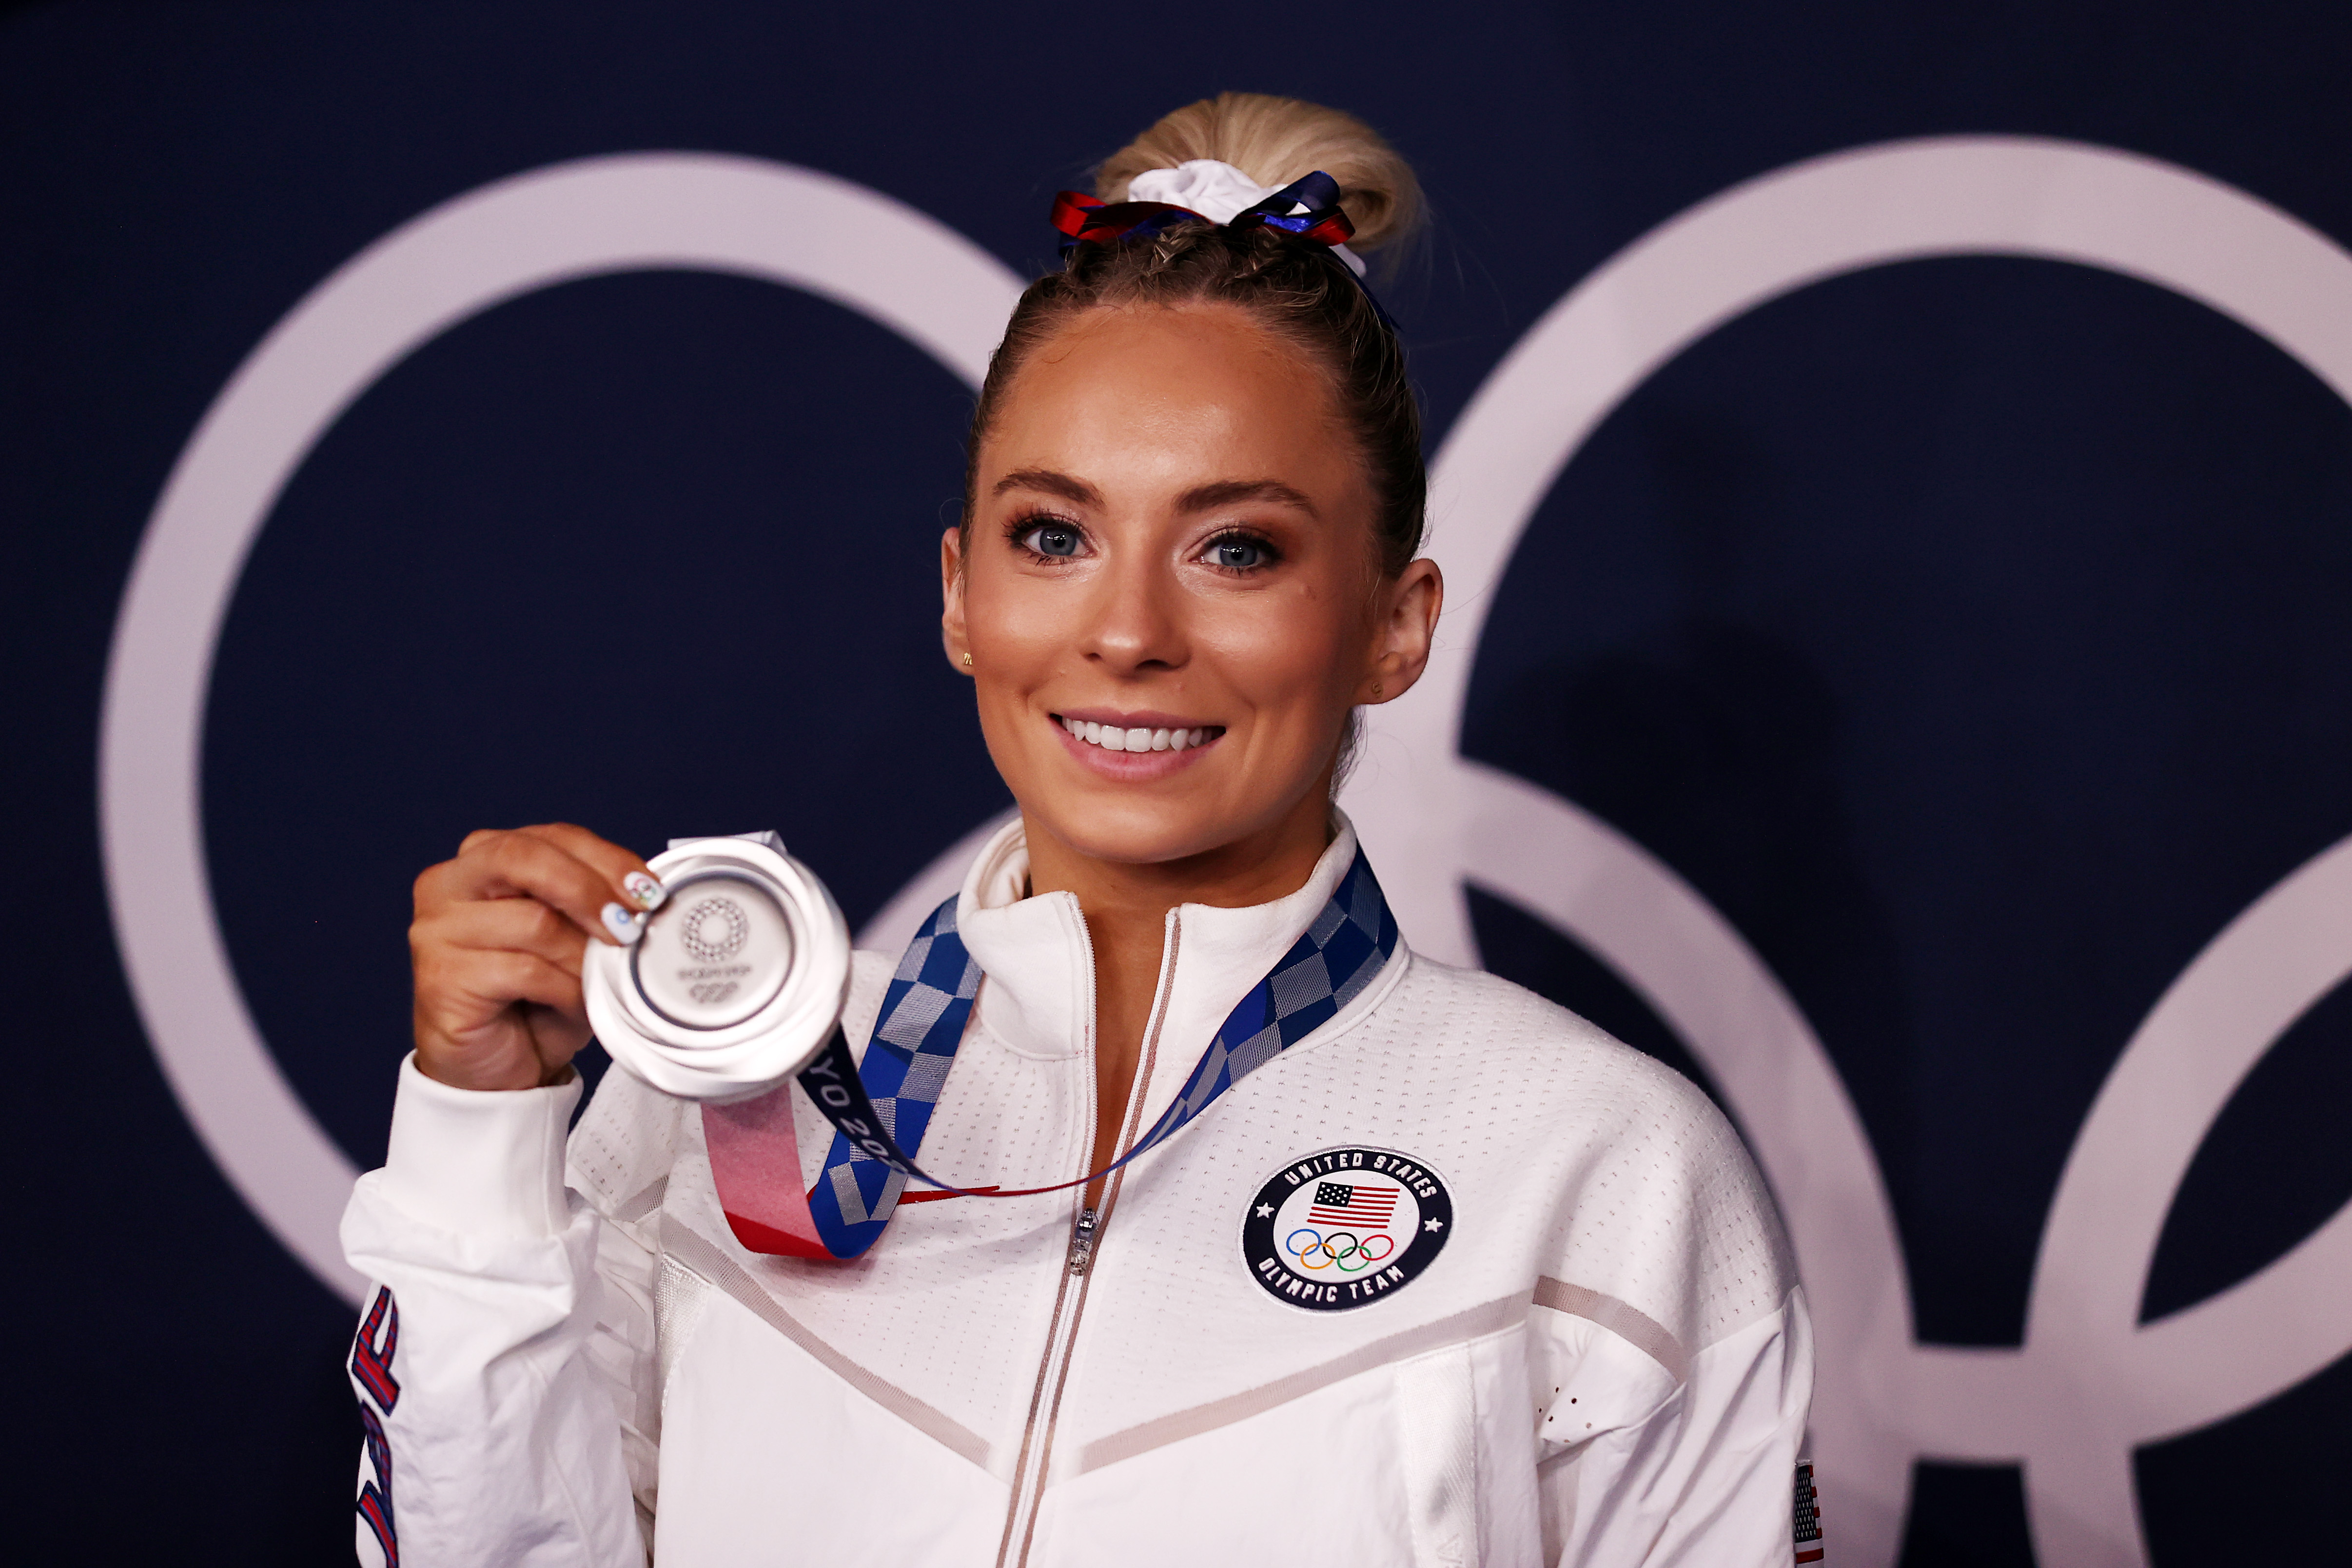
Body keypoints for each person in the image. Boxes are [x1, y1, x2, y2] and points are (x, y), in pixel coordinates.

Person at [342, 92, 1813, 1568]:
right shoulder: (730, 1090)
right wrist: (478, 1138)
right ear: (960, 594)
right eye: (1054, 535)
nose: (1126, 631)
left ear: (1393, 626)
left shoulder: (1607, 1170)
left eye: (1237, 548)